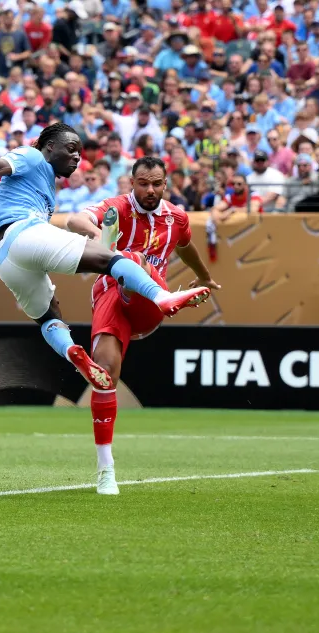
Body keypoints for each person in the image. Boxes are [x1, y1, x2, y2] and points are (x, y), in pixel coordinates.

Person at [0, 123, 212, 392]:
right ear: (50, 146)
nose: (76, 157)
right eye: (71, 149)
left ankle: (72, 350)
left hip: (5, 260)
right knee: (111, 258)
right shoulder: (32, 155)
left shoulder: (45, 182)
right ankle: (163, 297)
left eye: (79, 153)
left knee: (49, 316)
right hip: (23, 232)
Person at [65, 157, 219, 495]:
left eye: (156, 184)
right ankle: (106, 471)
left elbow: (186, 245)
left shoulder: (176, 217)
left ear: (165, 185)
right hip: (111, 297)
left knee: (134, 261)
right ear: (131, 184)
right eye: (142, 183)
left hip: (148, 305)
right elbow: (74, 219)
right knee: (106, 378)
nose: (149, 190)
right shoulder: (117, 207)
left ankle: (160, 294)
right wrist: (98, 234)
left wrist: (205, 275)